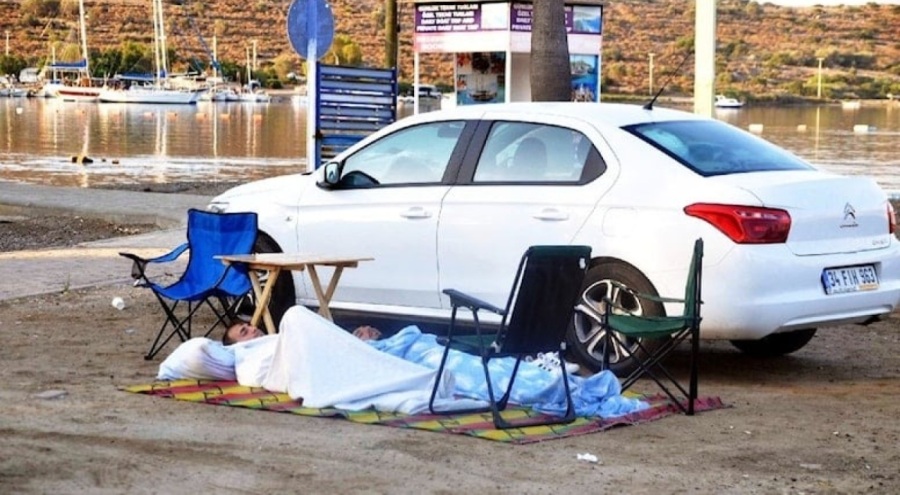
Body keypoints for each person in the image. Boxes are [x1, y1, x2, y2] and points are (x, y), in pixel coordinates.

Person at [159, 306, 647, 418]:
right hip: (380, 363)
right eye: (240, 331)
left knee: (442, 353)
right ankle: (552, 389)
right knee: (453, 373)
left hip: (381, 349)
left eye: (250, 327)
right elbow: (196, 354)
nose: (250, 331)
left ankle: (551, 383)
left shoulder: (275, 340)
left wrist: (356, 338)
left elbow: (324, 346)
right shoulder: (248, 363)